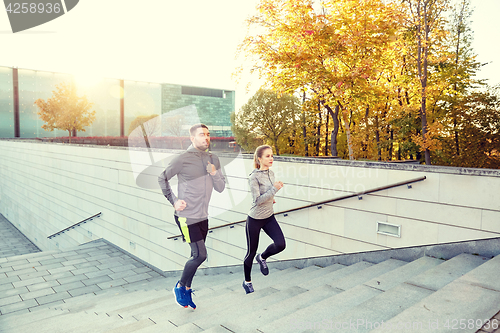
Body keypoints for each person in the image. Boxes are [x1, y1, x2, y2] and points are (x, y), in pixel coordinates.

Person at [158, 123, 225, 309]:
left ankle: (187, 288)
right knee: (200, 255)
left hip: (203, 216)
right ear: (192, 138)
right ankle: (179, 287)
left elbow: (220, 187)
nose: (206, 138)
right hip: (186, 216)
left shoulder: (214, 159)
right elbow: (162, 177)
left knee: (195, 256)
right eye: (201, 135)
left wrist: (214, 173)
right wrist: (173, 201)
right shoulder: (182, 159)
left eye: (208, 134)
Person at [242, 145, 286, 294]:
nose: (271, 158)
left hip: (269, 217)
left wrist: (271, 198)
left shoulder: (271, 173)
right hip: (255, 219)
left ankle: (263, 257)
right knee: (250, 253)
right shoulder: (253, 177)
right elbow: (257, 200)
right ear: (259, 158)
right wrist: (274, 190)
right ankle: (247, 281)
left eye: (272, 155)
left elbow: (267, 195)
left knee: (280, 244)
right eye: (267, 156)